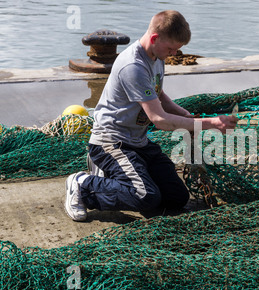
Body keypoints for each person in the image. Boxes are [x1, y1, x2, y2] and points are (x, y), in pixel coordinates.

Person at [65, 10, 238, 221]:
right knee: (144, 196)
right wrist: (209, 123)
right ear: (155, 38)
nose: (174, 54)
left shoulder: (156, 56)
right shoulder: (133, 66)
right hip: (110, 142)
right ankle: (83, 185)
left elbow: (159, 95)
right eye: (171, 48)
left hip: (138, 142)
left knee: (176, 197)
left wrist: (188, 117)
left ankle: (112, 176)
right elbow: (159, 119)